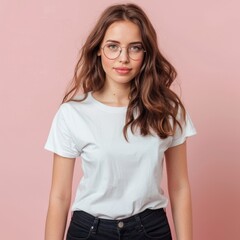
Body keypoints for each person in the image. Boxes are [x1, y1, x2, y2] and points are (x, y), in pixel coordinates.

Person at [44, 3, 196, 240]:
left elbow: (179, 187)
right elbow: (60, 195)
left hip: (150, 229)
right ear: (98, 49)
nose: (123, 58)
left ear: (145, 52)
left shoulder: (167, 109)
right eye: (113, 47)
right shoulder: (73, 113)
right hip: (89, 231)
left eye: (134, 48)